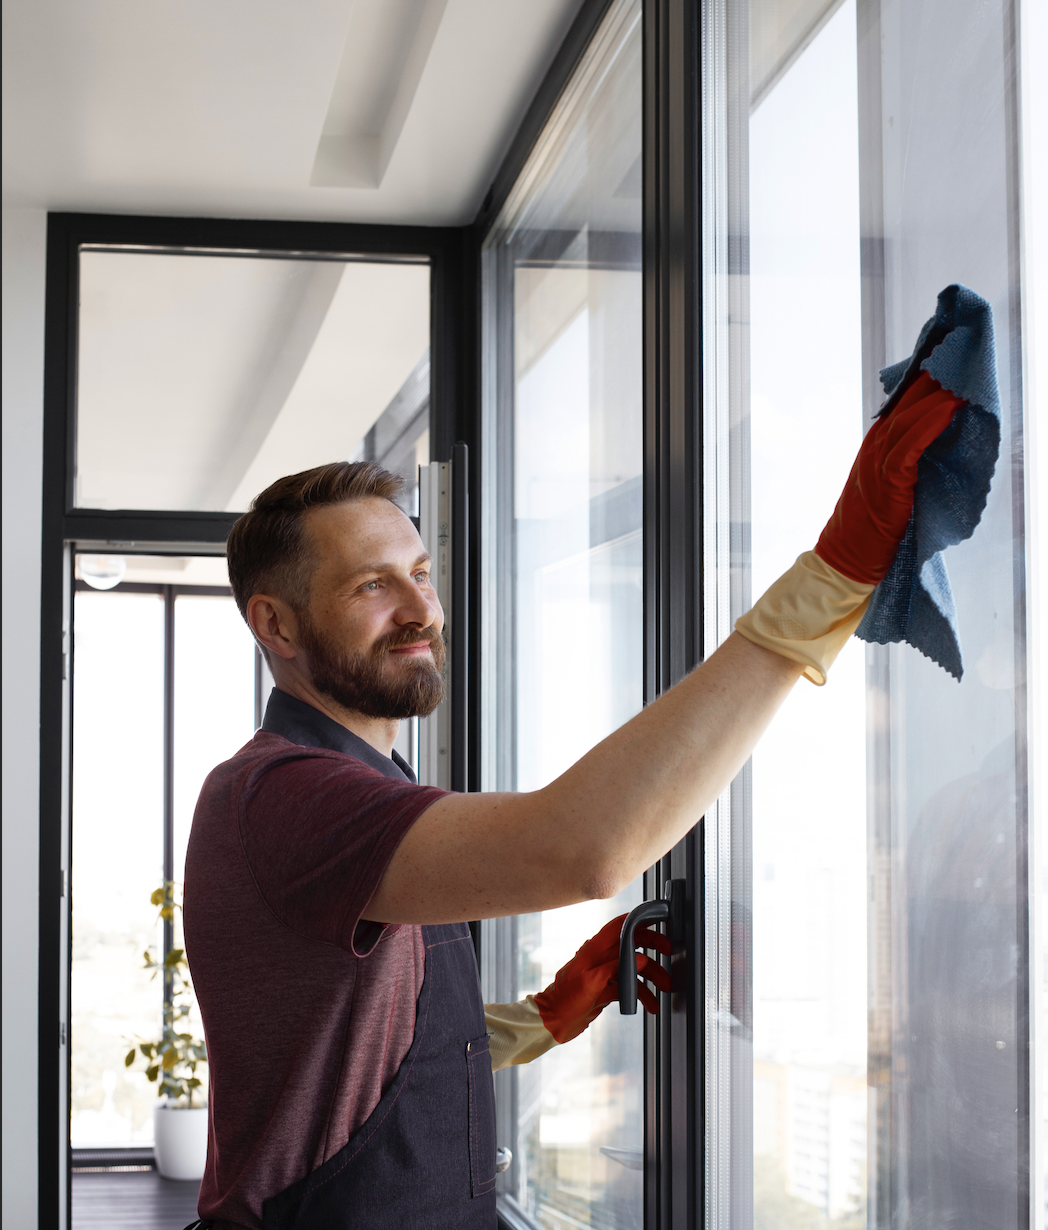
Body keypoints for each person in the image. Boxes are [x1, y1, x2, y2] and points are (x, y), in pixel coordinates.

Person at [183, 370, 964, 1229]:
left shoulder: (374, 791)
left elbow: (344, 1051)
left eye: (420, 573)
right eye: (372, 586)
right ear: (278, 626)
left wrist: (544, 1017)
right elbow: (584, 847)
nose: (421, 611)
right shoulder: (281, 793)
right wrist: (833, 577)